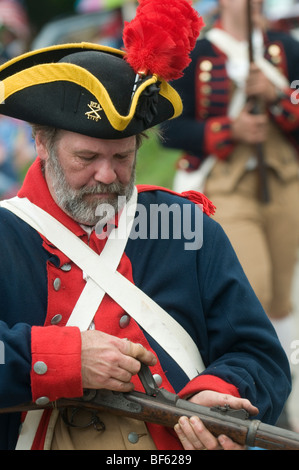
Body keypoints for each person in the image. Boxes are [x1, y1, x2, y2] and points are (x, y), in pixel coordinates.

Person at [0, 8, 291, 450]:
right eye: (86, 158)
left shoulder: (184, 226)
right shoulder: (7, 232)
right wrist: (61, 359)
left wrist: (224, 395)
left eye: (121, 158)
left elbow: (259, 355)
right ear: (41, 143)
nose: (106, 176)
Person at [161, 0, 299, 361]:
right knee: (255, 288)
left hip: (285, 181)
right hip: (227, 186)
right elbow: (171, 126)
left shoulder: (285, 47)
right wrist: (229, 129)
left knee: (283, 295)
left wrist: (278, 97)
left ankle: (283, 379)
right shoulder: (198, 54)